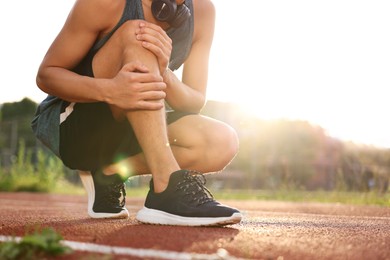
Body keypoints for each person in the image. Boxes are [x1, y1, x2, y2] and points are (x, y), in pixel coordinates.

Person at [32, 0, 242, 226]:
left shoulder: (203, 11)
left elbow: (194, 101)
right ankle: (166, 187)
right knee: (141, 35)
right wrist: (112, 90)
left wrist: (164, 72)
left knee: (221, 141)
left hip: (139, 120)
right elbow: (47, 75)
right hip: (77, 128)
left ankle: (108, 174)